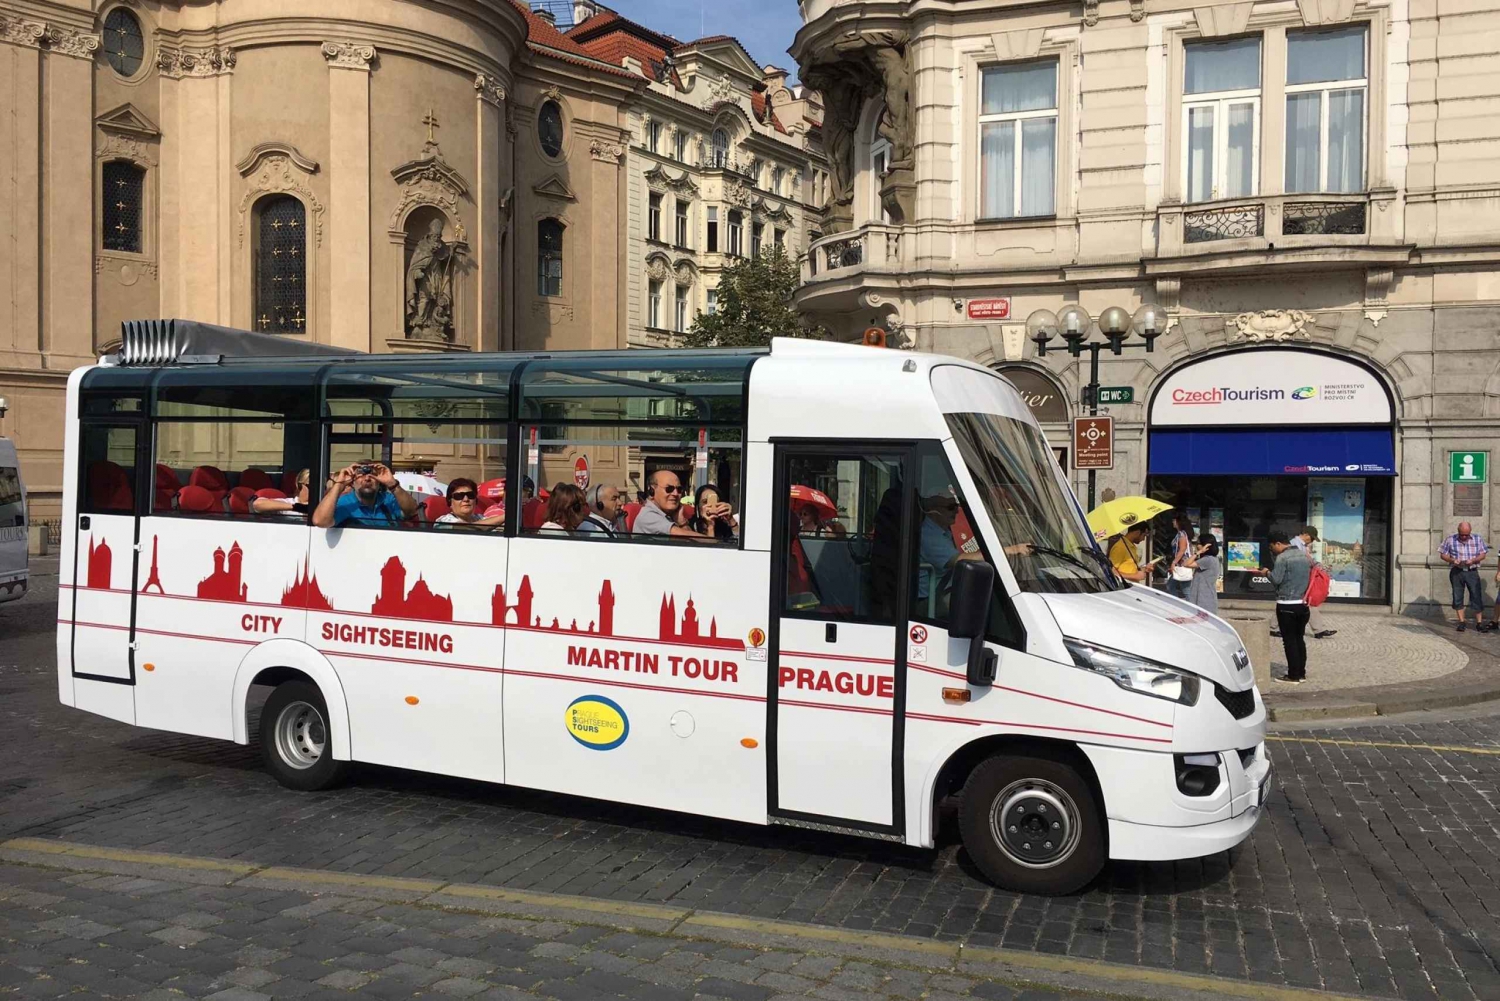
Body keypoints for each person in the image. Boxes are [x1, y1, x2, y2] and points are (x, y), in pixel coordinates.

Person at [917, 494, 984, 608]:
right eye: (951, 507)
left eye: (956, 506)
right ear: (933, 511)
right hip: (931, 602)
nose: (957, 511)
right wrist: (1007, 552)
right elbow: (957, 560)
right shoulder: (928, 535)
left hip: (946, 591)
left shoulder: (943, 531)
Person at [1262, 531, 1312, 683]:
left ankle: (1293, 675)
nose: (1272, 550)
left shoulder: (1282, 558)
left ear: (1278, 543)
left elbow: (1276, 579)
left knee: (1289, 641)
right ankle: (1301, 673)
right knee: (1299, 639)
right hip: (1303, 604)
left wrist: (1266, 573)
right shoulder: (1304, 555)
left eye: (1272, 547)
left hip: (1286, 604)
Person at [312, 462, 417, 528]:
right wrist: (340, 484)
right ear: (352, 482)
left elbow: (412, 512)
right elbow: (320, 521)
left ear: (379, 481)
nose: (367, 478)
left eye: (372, 475)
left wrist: (393, 484)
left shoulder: (388, 499)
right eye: (361, 475)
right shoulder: (345, 503)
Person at [633, 470, 723, 541]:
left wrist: (681, 521)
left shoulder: (668, 514)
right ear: (651, 491)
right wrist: (714, 535)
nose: (675, 493)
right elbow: (691, 541)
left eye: (679, 489)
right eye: (669, 489)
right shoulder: (648, 516)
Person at [1440, 521, 1490, 632]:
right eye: (1461, 534)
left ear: (1470, 532)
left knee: (1476, 596)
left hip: (1472, 571)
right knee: (1457, 596)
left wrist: (1473, 560)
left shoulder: (1477, 538)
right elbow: (1443, 554)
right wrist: (1452, 560)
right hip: (1457, 571)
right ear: (1458, 532)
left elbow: (1483, 554)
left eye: (1466, 535)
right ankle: (1461, 622)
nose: (1463, 537)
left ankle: (1479, 623)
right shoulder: (1450, 539)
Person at [1291, 526, 1337, 638]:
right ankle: (1273, 627)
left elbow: (1307, 560)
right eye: (1312, 538)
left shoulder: (1302, 546)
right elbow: (1297, 561)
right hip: (1294, 579)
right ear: (1306, 534)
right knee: (1287, 602)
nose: (1311, 541)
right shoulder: (1294, 544)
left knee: (1307, 602)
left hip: (1300, 578)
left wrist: (1317, 565)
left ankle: (1319, 630)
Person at [437, 477, 504, 528]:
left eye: (470, 495)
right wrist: (506, 517)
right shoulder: (442, 522)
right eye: (459, 496)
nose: (466, 499)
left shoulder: (480, 517)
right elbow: (468, 529)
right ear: (450, 502)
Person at [1183, 532, 1221, 614]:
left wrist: (1198, 552)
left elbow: (1186, 564)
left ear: (1206, 546)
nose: (1197, 546)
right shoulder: (1212, 559)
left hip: (1203, 599)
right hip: (1205, 597)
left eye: (1199, 543)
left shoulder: (1208, 560)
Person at [1166, 513, 1194, 599]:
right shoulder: (1181, 534)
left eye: (1174, 520)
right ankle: (1178, 604)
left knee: (1185, 590)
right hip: (1181, 564)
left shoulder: (1182, 534)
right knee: (1172, 586)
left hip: (1182, 564)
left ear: (1179, 522)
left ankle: (1189, 607)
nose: (1172, 522)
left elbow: (1182, 549)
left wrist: (1174, 562)